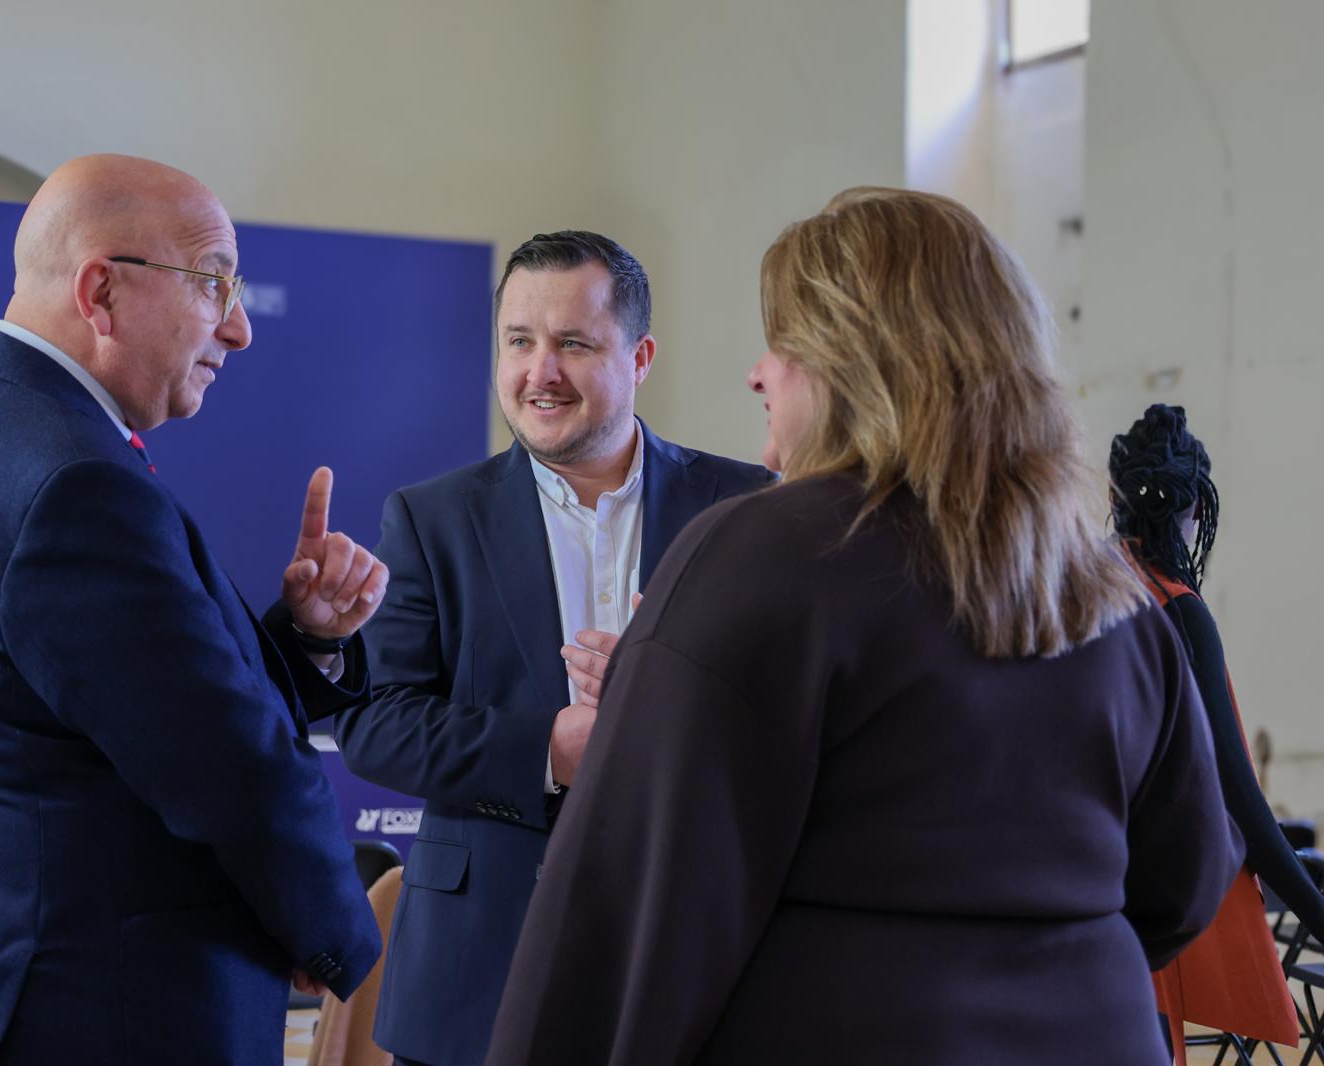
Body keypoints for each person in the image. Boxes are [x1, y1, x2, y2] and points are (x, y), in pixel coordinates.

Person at [483, 188, 1243, 1065]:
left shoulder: (761, 553)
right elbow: (1187, 882)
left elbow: (626, 917)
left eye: (784, 346)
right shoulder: (1108, 591)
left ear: (853, 364)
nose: (758, 375)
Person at [0, 154, 384, 1066]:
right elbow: (227, 766)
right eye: (213, 283)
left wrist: (306, 638)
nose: (239, 328)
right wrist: (341, 940)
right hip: (97, 1014)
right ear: (101, 291)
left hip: (22, 990)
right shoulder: (75, 482)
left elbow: (138, 707)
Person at [332, 230, 773, 1065]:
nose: (541, 372)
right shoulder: (430, 520)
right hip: (477, 973)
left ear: (640, 358)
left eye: (573, 343)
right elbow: (374, 723)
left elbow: (797, 715)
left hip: (694, 957)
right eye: (519, 341)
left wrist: (681, 704)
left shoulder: (742, 507)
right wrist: (552, 748)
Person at [1112, 403, 1321, 1064]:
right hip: (1142, 911)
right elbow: (1238, 800)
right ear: (1197, 509)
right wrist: (1317, 912)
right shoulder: (1177, 611)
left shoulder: (1082, 594)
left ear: (1114, 501)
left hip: (1073, 893)